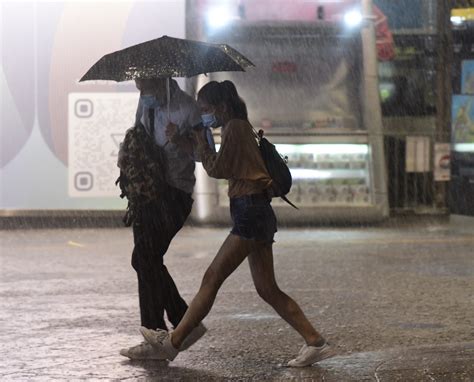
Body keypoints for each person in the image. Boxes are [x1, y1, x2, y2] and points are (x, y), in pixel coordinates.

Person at [139, 80, 334, 367]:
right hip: (254, 212)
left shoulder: (235, 128)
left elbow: (217, 168)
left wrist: (201, 143)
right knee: (267, 289)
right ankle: (315, 341)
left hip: (250, 213)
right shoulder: (237, 128)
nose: (204, 114)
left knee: (212, 277)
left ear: (222, 107)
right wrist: (193, 141)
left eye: (206, 109)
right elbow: (221, 163)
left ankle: (173, 343)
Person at [117, 78, 212, 360]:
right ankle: (160, 331)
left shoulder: (187, 109)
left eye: (145, 87)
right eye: (138, 88)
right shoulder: (147, 102)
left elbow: (203, 153)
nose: (141, 92)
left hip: (174, 193)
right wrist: (127, 149)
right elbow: (139, 132)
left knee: (144, 257)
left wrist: (179, 139)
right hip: (147, 190)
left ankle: (175, 324)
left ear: (161, 81)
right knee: (147, 259)